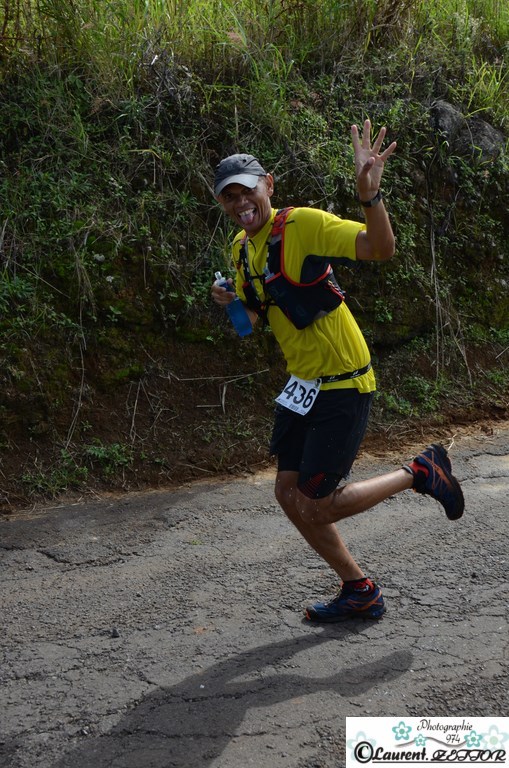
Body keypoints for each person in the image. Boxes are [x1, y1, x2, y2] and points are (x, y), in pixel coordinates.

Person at [211, 120, 464, 623]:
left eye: (248, 190)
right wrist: (231, 302)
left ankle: (418, 473)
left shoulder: (301, 225)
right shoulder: (239, 249)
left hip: (343, 381)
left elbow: (380, 249)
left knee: (317, 504)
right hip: (302, 385)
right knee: (288, 494)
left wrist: (370, 196)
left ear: (269, 185)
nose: (241, 203)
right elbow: (253, 322)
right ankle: (359, 590)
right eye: (229, 197)